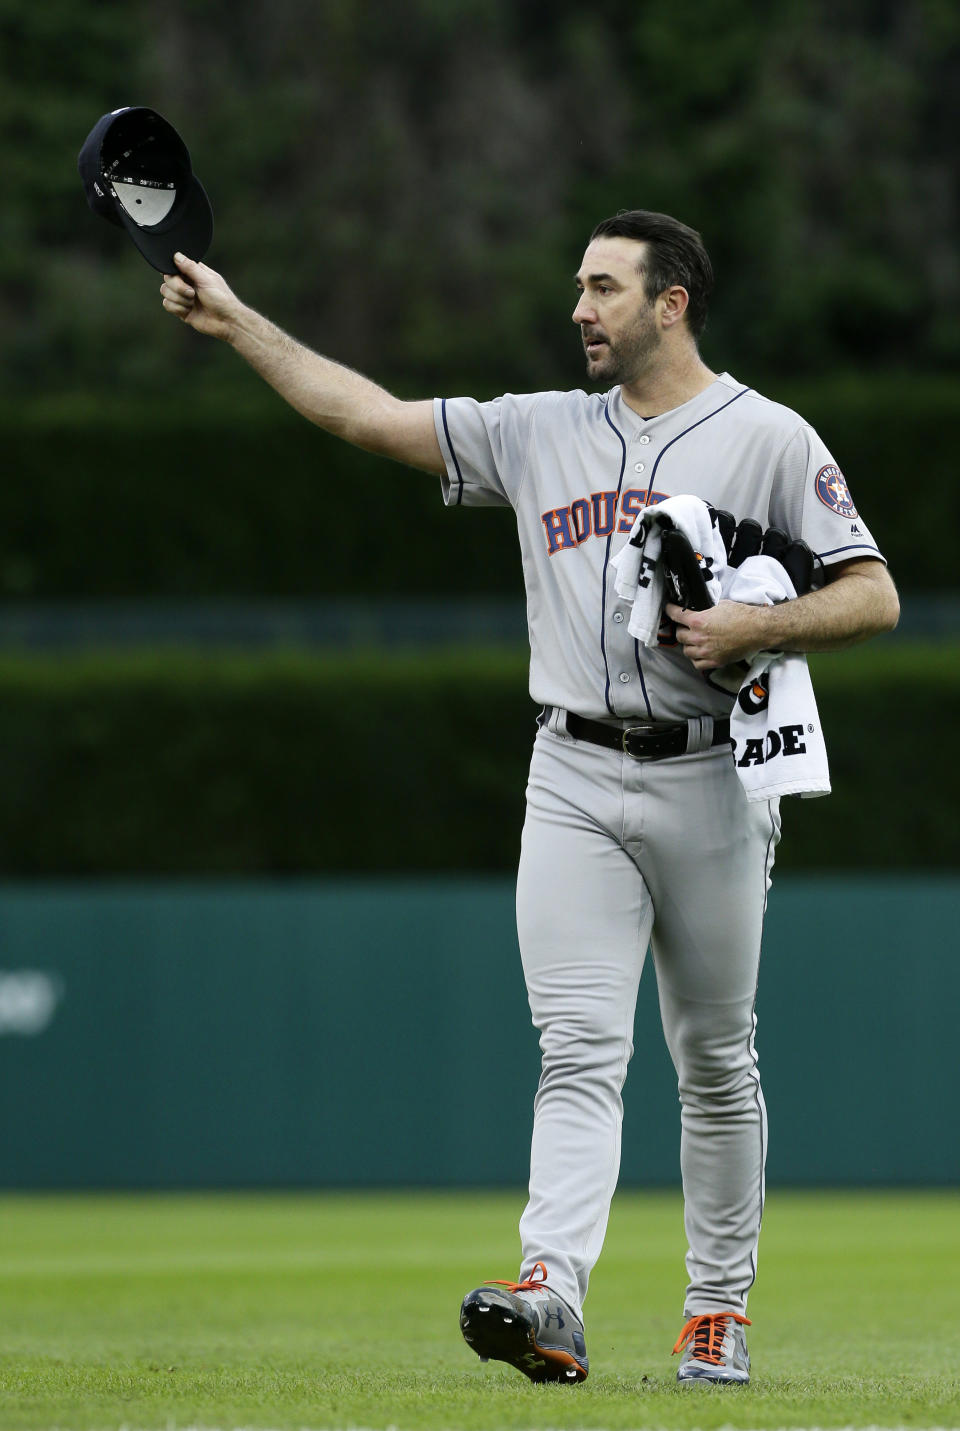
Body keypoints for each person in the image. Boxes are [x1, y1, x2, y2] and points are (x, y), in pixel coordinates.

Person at [160, 210, 899, 1385]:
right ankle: (550, 1292)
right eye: (579, 287)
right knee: (579, 1048)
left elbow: (873, 594)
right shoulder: (538, 430)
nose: (579, 310)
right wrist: (240, 321)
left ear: (674, 302)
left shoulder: (766, 435)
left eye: (604, 288)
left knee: (714, 1056)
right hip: (571, 772)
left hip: (711, 775)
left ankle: (718, 1310)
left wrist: (767, 623)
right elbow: (366, 416)